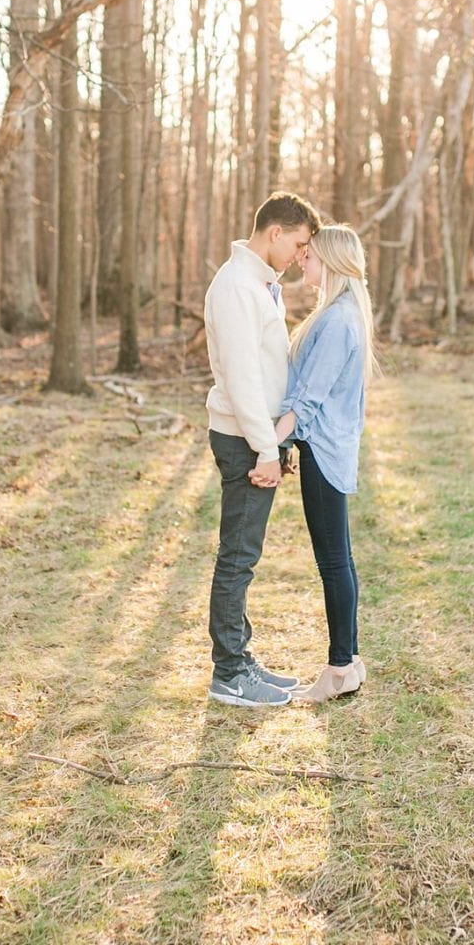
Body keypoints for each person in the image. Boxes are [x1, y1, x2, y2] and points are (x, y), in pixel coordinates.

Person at [202, 191, 322, 707]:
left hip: (261, 436)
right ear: (275, 232)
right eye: (298, 243)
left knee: (243, 556)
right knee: (237, 558)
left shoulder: (261, 284)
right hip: (244, 438)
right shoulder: (235, 288)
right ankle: (229, 674)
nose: (301, 254)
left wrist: (279, 437)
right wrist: (265, 448)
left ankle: (241, 657)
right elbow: (243, 378)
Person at [268, 224, 377, 703]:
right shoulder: (339, 314)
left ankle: (337, 668)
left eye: (309, 257)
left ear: (329, 263)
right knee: (341, 560)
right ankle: (349, 661)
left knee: (333, 562)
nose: (303, 263)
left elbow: (307, 401)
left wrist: (266, 444)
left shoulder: (336, 322)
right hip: (328, 447)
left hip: (324, 450)